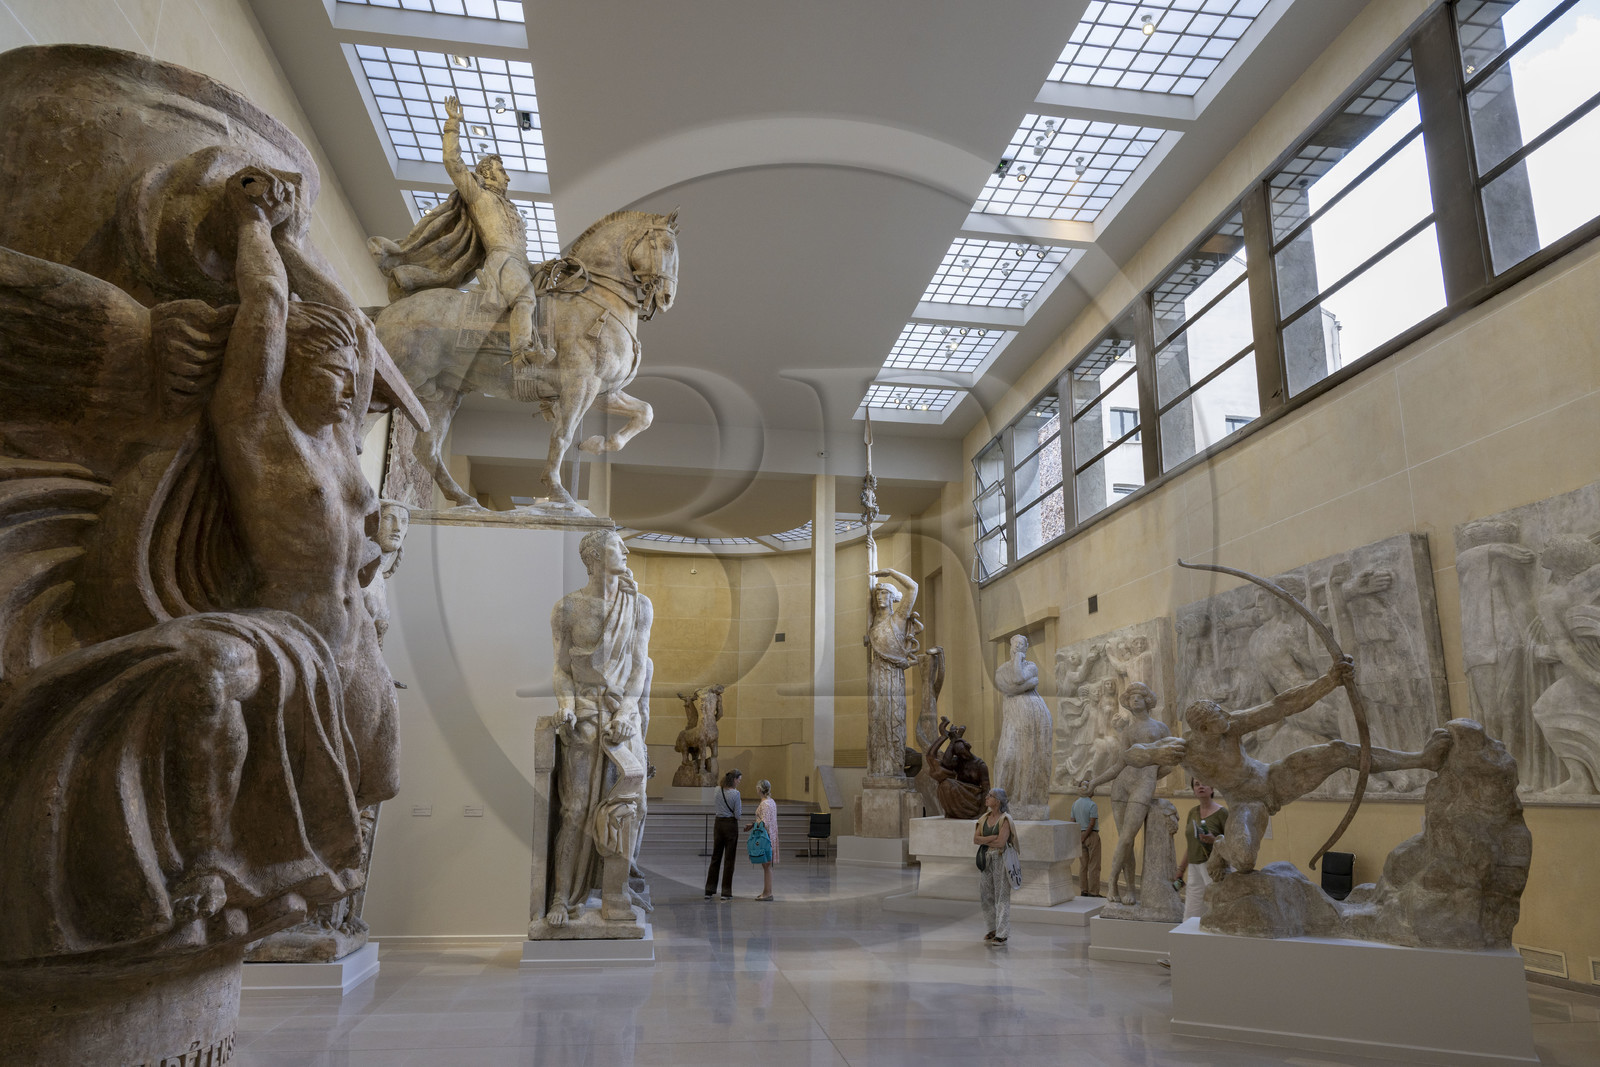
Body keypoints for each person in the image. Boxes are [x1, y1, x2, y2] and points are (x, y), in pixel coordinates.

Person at [1122, 655, 1450, 881]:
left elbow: (1281, 706)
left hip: (1275, 779)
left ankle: (1422, 759)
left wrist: (1330, 680)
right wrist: (1155, 753)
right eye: (1219, 719)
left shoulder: (1231, 724)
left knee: (1338, 751)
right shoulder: (1185, 750)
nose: (1227, 720)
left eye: (1224, 714)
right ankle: (1222, 848)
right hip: (1246, 803)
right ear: (1204, 729)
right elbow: (1133, 755)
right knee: (1247, 862)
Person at [544, 529, 654, 927]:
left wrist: (627, 711)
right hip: (586, 714)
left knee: (627, 805)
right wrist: (567, 703)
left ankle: (615, 894)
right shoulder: (567, 609)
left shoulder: (639, 606)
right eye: (615, 545)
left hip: (621, 717)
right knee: (574, 811)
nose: (625, 550)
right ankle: (562, 896)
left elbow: (640, 666)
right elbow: (561, 668)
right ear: (593, 557)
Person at [1078, 682, 1170, 903]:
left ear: (1147, 700)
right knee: (1124, 840)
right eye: (1130, 698)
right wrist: (1095, 783)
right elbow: (1119, 765)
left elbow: (1171, 761)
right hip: (1122, 785)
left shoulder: (1159, 728)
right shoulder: (1128, 732)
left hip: (1144, 784)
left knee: (1127, 837)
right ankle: (1127, 888)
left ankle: (1111, 881)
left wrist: (1152, 772)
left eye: (1139, 696)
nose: (1134, 700)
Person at [1176, 779, 1227, 919]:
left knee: (1216, 907)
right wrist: (1181, 869)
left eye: (1204, 783)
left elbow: (1231, 844)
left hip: (1213, 867)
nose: (1201, 787)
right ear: (1193, 789)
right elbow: (1191, 844)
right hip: (1194, 865)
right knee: (1191, 912)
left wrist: (1213, 839)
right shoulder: (1193, 812)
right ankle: (1189, 940)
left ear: (1212, 788)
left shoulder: (1222, 813)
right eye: (1197, 784)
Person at [973, 787, 1019, 945]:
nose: (986, 798)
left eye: (990, 796)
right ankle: (992, 929)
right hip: (986, 859)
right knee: (986, 895)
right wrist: (992, 836)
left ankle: (1003, 932)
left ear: (998, 801)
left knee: (1002, 895)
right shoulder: (983, 818)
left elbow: (1001, 842)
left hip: (1001, 859)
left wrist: (986, 838)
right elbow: (976, 839)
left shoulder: (1005, 819)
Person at [705, 768, 743, 900]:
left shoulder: (717, 789)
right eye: (739, 779)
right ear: (734, 779)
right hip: (730, 825)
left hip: (718, 824)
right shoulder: (736, 794)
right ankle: (726, 892)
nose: (739, 782)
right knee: (729, 859)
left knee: (715, 857)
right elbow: (738, 815)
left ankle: (709, 890)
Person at [745, 778, 778, 900]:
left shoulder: (764, 804)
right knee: (767, 866)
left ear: (759, 789)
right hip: (771, 835)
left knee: (767, 865)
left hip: (765, 836)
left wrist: (752, 825)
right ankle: (766, 891)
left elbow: (764, 822)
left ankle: (768, 893)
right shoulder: (772, 801)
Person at [1070, 791, 1102, 897]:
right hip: (1091, 835)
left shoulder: (1075, 804)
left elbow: (1072, 821)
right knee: (1094, 865)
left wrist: (1078, 837)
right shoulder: (1092, 804)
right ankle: (1093, 892)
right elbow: (1092, 823)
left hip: (1079, 835)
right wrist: (1085, 836)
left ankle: (1084, 890)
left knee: (1083, 865)